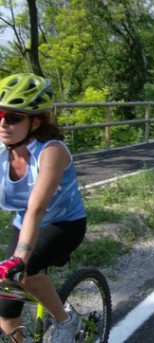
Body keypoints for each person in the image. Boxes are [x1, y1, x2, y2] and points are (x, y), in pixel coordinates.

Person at [0, 73, 86, 342]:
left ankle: (65, 321)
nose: (3, 123)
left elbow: (36, 208)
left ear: (35, 121)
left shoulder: (51, 151)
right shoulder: (2, 151)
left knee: (23, 273)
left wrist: (20, 259)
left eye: (13, 118)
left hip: (64, 224)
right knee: (5, 309)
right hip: (23, 223)